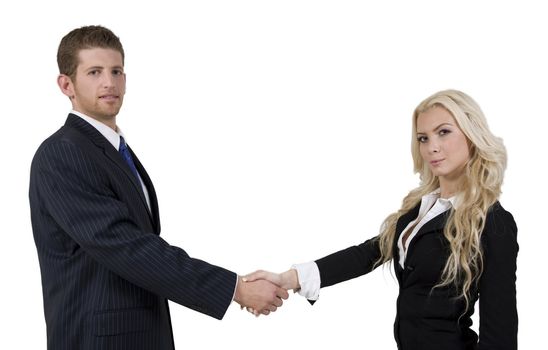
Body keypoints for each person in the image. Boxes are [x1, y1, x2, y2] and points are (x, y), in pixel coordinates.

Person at [29, 25, 288, 350]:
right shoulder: (63, 153)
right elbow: (126, 246)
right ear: (66, 84)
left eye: (117, 71)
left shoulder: (113, 149)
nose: (109, 82)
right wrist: (235, 289)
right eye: (94, 72)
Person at [246, 90, 518, 350]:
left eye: (443, 132)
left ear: (472, 135)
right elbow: (368, 254)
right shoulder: (420, 208)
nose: (432, 147)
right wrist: (288, 278)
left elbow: (500, 330)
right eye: (423, 138)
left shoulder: (494, 223)